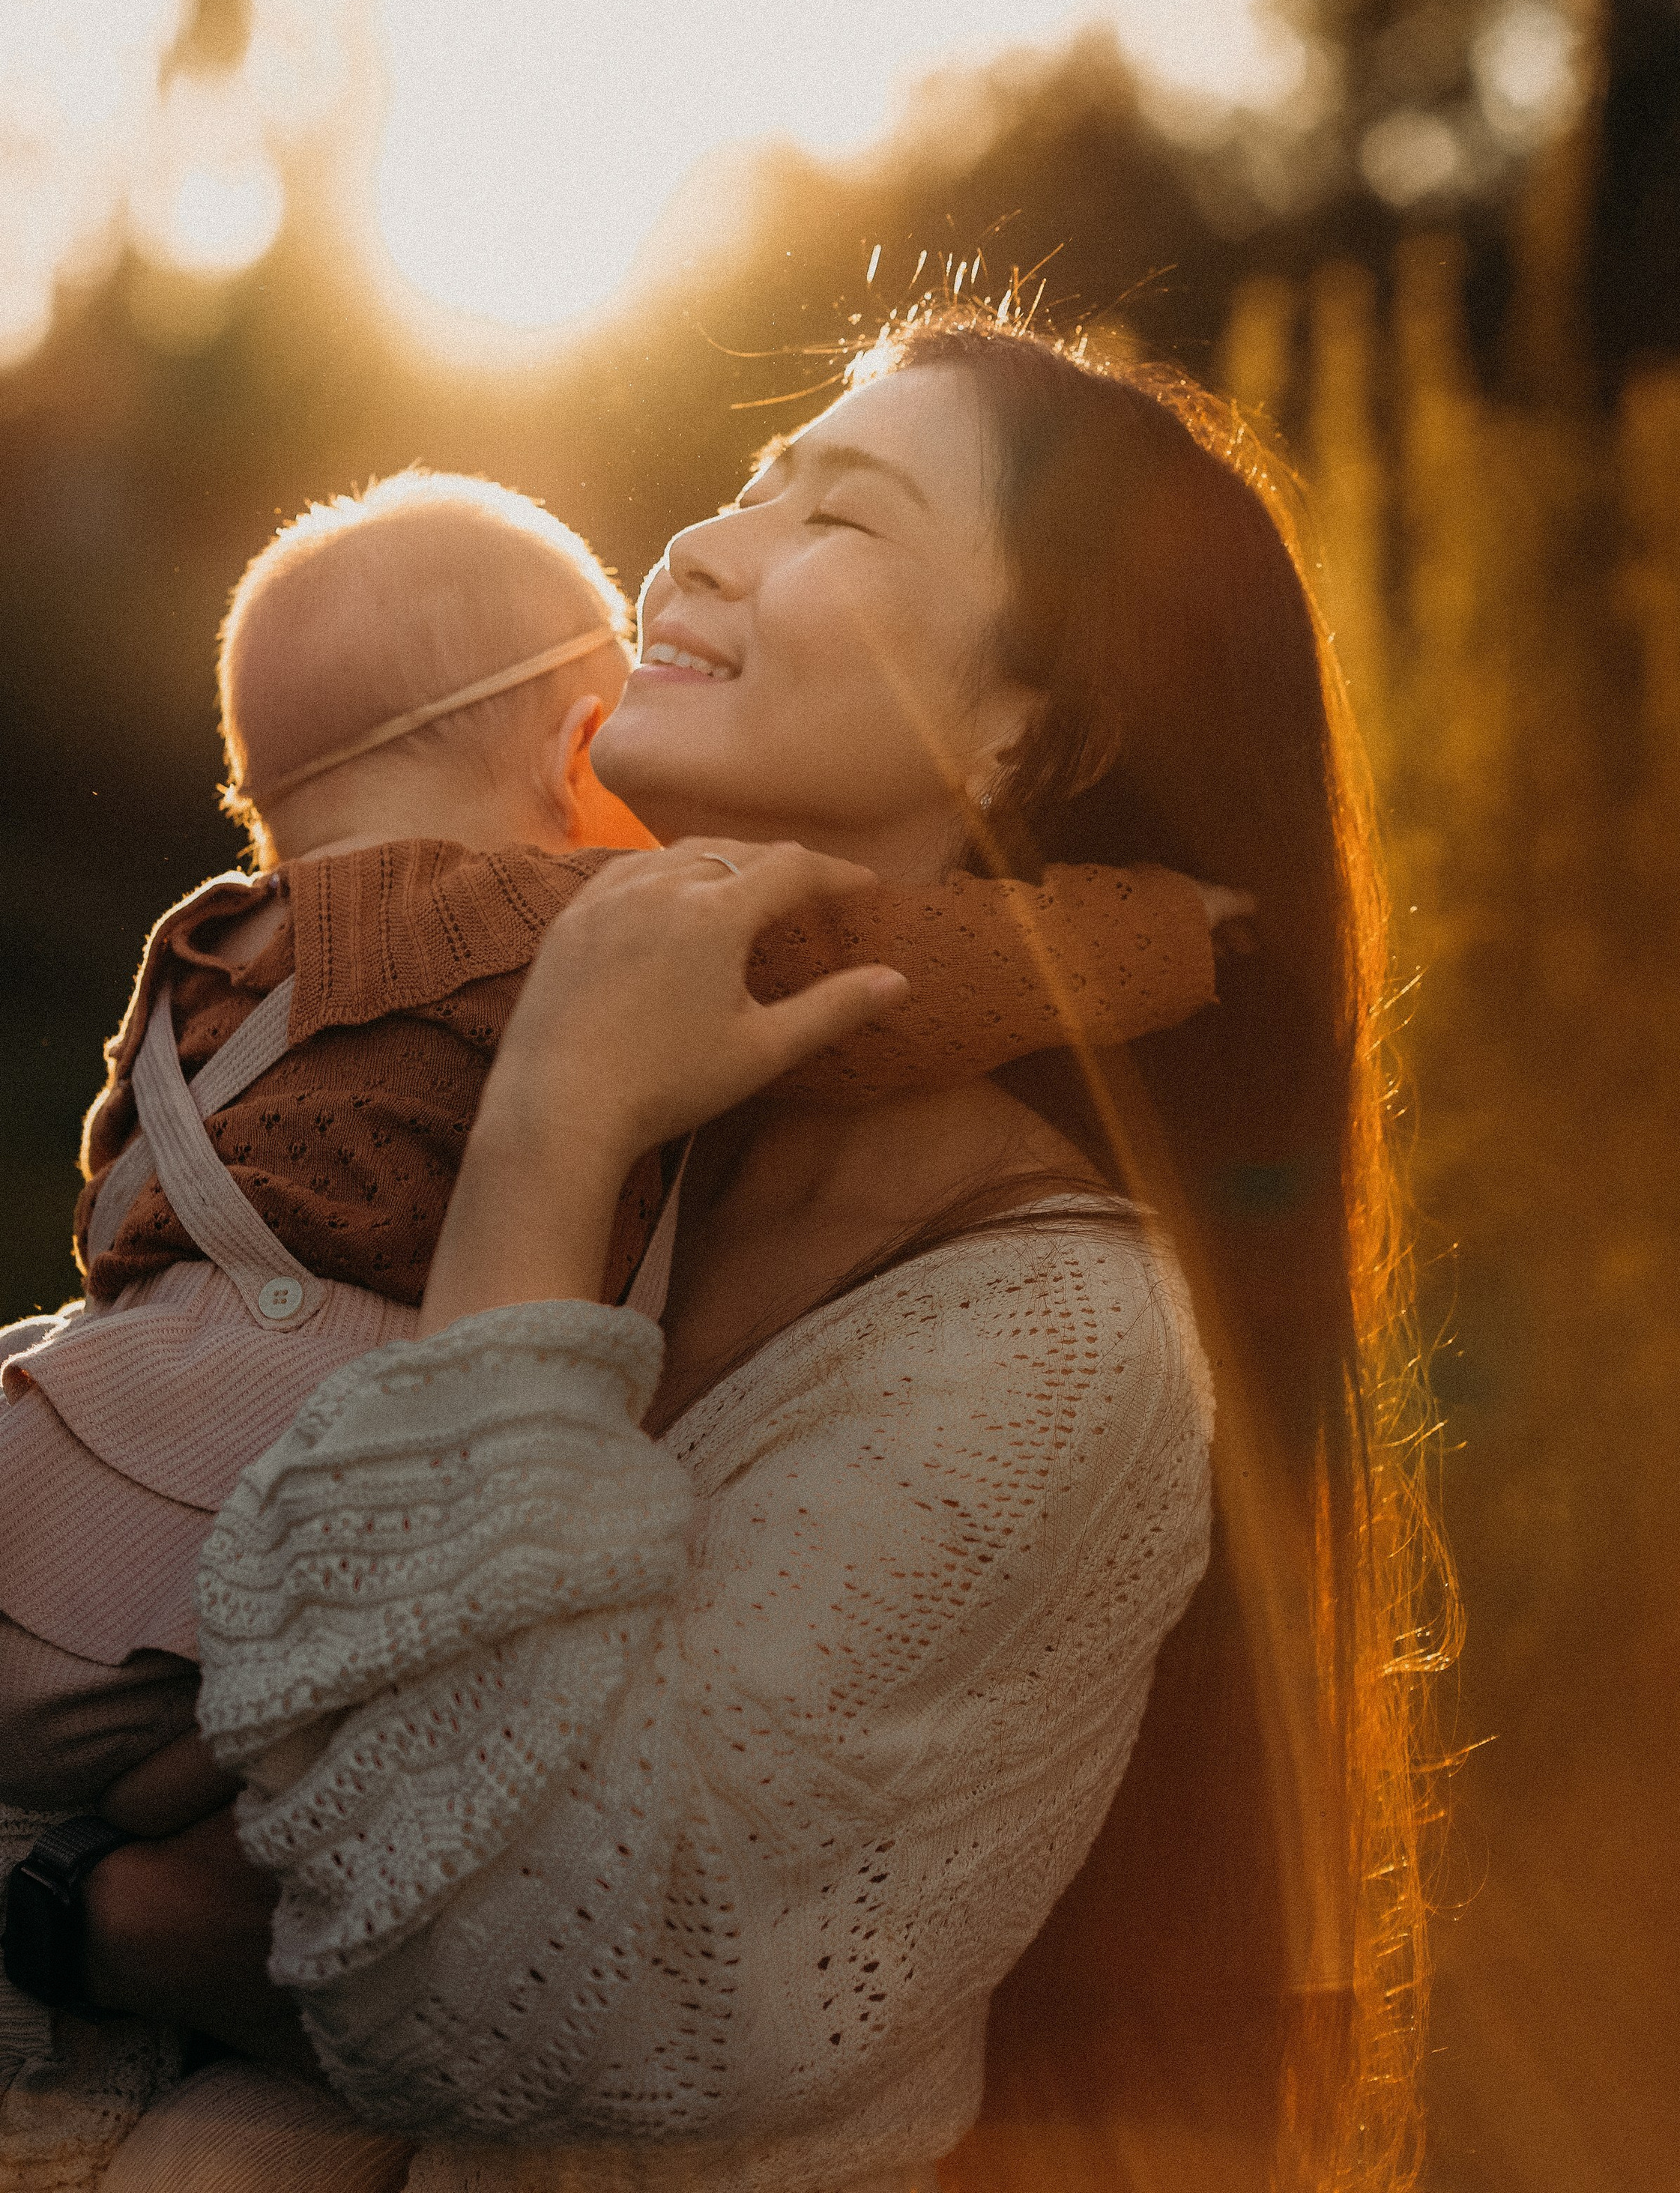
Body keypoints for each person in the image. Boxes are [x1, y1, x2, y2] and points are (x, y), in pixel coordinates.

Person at [64, 313, 1430, 2193]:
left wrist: (548, 1139)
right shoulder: (622, 1123)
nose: (697, 545)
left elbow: (507, 1989)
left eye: (838, 518)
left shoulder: (1052, 1345)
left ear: (1029, 733)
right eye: (743, 485)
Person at [0, 468, 1221, 1853]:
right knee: (290, 1726)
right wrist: (1172, 933)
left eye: (838, 514)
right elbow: (882, 969)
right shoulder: (541, 918)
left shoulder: (210, 941)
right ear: (577, 754)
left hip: (70, 1441)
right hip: (235, 1491)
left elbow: (120, 1181)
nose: (699, 549)